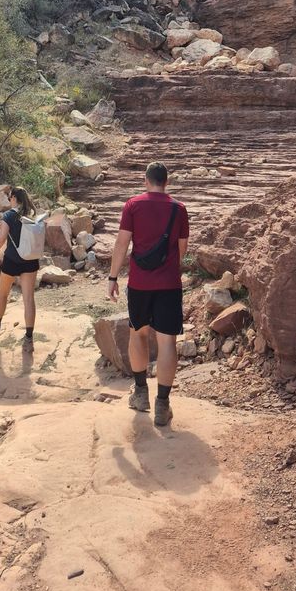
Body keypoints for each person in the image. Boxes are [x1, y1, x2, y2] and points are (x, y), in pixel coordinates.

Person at [107, 161, 189, 427]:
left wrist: (112, 276)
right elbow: (182, 250)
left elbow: (122, 242)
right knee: (167, 343)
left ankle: (141, 393)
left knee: (138, 333)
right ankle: (162, 406)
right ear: (167, 181)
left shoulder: (133, 205)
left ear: (146, 180)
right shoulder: (179, 209)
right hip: (169, 285)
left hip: (140, 284)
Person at [0, 186, 39, 349]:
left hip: (11, 260)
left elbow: (2, 238)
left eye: (10, 197)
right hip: (30, 261)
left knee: (3, 294)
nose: (9, 200)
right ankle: (29, 339)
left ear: (15, 198)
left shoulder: (8, 216)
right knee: (29, 299)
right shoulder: (31, 216)